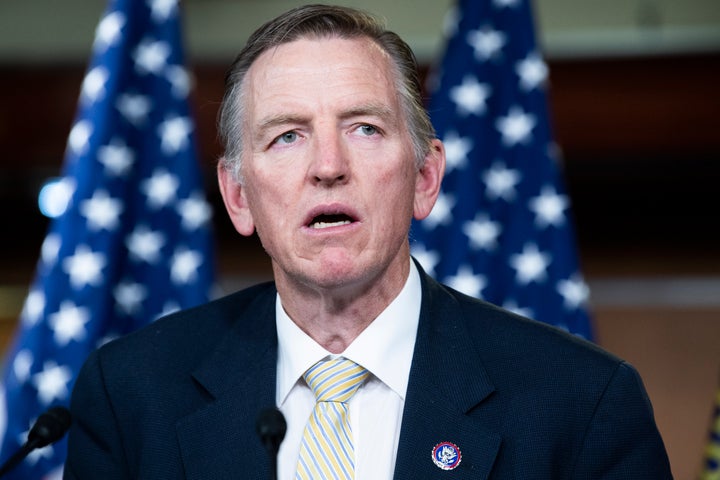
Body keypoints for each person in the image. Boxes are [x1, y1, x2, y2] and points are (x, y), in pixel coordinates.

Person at [64, 4, 672, 479]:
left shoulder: (581, 403)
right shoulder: (131, 395)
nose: (328, 165)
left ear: (426, 179)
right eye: (287, 136)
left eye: (364, 128)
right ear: (238, 196)